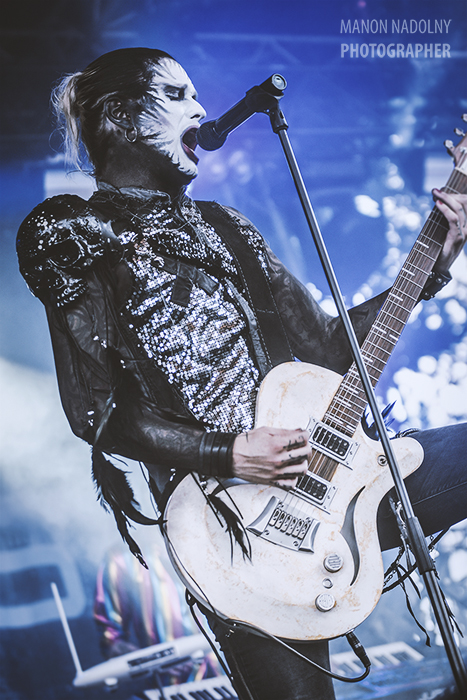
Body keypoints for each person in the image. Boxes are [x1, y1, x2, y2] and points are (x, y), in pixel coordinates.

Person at [16, 48, 467, 700]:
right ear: (119, 116)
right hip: (237, 531)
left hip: (337, 481)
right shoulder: (73, 228)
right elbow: (96, 411)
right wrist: (228, 452)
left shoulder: (230, 228)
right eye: (177, 95)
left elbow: (330, 352)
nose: (201, 108)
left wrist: (432, 261)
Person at [94, 534, 220, 686]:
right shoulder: (119, 558)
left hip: (236, 674)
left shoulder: (205, 536)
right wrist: (158, 661)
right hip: (178, 686)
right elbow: (112, 642)